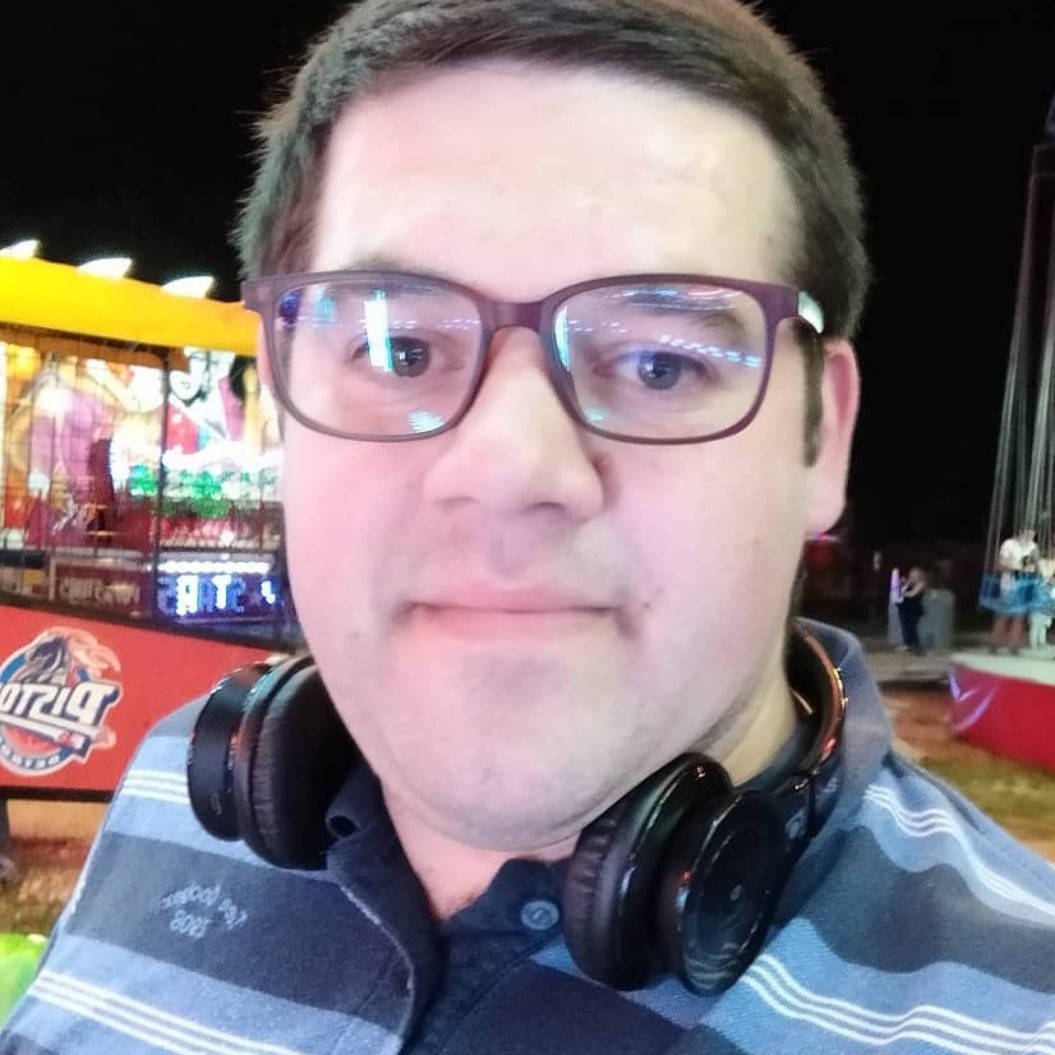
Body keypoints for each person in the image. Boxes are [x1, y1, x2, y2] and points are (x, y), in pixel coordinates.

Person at [4, 1, 1054, 1051]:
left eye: (659, 362)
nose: (507, 468)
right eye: (400, 350)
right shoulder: (167, 789)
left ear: (821, 438)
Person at [991, 525, 1039, 654]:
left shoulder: (1033, 547)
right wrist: (1015, 568)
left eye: (1033, 534)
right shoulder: (1009, 544)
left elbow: (1033, 565)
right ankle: (995, 644)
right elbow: (1001, 565)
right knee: (1003, 614)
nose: (1031, 536)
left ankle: (1014, 646)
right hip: (1009, 584)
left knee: (1020, 616)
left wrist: (1029, 567)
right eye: (1028, 533)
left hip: (1024, 584)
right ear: (1021, 532)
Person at [895, 565, 927, 655]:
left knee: (913, 628)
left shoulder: (921, 583)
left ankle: (916, 646)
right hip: (906, 609)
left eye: (914, 574)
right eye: (911, 573)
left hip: (915, 609)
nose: (912, 575)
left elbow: (913, 594)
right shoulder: (909, 583)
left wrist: (903, 593)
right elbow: (901, 591)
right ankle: (908, 644)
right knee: (906, 627)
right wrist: (903, 584)